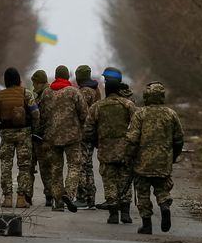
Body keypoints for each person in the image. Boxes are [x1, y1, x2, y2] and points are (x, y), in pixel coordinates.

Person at [125, 82, 184, 234]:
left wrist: (128, 157)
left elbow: (132, 139)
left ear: (146, 96)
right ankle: (164, 206)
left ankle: (147, 224)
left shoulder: (140, 114)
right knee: (162, 188)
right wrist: (173, 156)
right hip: (163, 161)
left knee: (143, 193)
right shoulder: (171, 114)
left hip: (142, 162)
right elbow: (179, 139)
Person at [83, 67, 137, 224]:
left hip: (106, 150)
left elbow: (88, 130)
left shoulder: (97, 107)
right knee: (125, 180)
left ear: (106, 89)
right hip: (125, 150)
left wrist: (96, 142)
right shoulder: (128, 105)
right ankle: (125, 213)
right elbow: (136, 126)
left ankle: (113, 214)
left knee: (110, 181)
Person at [39, 65, 88, 212]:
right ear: (67, 77)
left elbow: (42, 114)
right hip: (72, 137)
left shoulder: (46, 93)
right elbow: (84, 113)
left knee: (56, 169)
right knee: (74, 165)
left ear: (55, 76)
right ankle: (69, 193)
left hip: (52, 137)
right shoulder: (74, 92)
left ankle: (58, 201)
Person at [0, 67, 40, 208]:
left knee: (6, 166)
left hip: (6, 135)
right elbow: (36, 114)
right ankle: (21, 198)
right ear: (18, 79)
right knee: (24, 167)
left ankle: (7, 198)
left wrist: (0, 131)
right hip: (24, 135)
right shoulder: (26, 94)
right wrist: (33, 130)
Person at [75, 65, 101, 209]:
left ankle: (82, 198)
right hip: (92, 132)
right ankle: (91, 198)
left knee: (81, 165)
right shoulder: (96, 90)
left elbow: (82, 113)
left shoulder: (85, 91)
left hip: (84, 133)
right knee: (88, 166)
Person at [29, 70, 53, 207]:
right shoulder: (43, 93)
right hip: (40, 135)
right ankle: (48, 195)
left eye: (34, 83)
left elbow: (46, 115)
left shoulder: (46, 94)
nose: (33, 86)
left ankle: (46, 195)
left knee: (43, 167)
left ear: (40, 82)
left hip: (43, 136)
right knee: (42, 168)